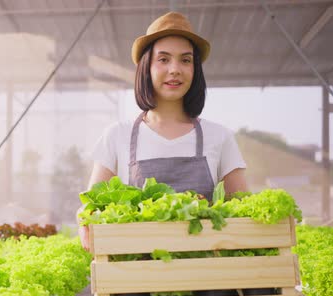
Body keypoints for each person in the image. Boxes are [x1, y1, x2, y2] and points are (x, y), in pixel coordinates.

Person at [78, 11, 248, 252]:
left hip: (209, 277)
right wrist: (84, 217)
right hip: (137, 274)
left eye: (186, 60)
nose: (175, 69)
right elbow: (92, 204)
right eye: (164, 59)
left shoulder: (220, 137)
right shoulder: (117, 135)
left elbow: (243, 212)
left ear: (195, 70)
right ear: (146, 67)